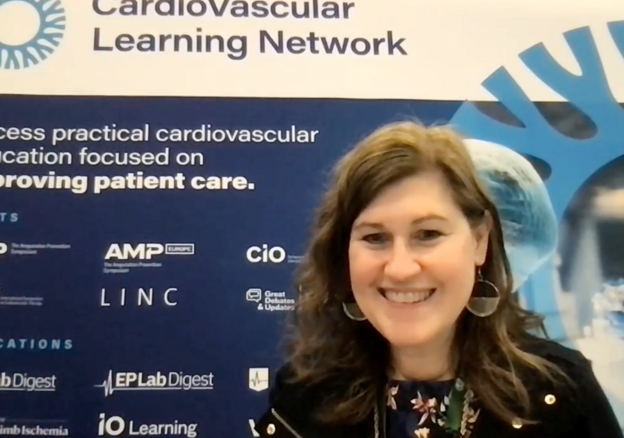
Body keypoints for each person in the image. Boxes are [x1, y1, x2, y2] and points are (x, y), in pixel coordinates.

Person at [253, 122, 623, 438]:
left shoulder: (559, 396)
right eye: (375, 237)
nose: (400, 269)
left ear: (479, 241)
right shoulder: (306, 398)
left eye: (428, 234)